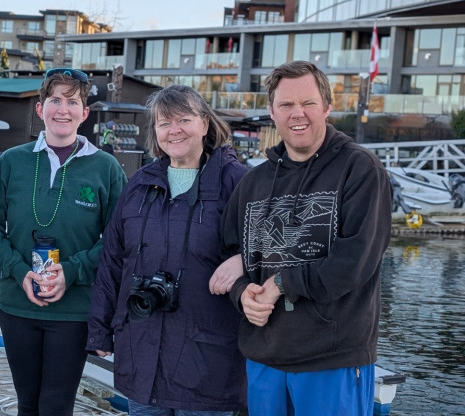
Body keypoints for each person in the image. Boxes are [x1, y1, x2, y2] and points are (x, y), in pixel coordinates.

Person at [219, 60, 392, 416]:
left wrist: (281, 283)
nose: (298, 113)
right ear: (272, 112)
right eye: (286, 104)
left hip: (332, 360)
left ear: (327, 107)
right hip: (264, 358)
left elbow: (353, 263)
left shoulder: (361, 170)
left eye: (308, 103)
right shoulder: (253, 183)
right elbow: (232, 257)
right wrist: (242, 295)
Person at [0, 68, 127, 416]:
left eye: (72, 101)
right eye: (55, 99)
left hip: (74, 310)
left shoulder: (106, 168)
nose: (63, 109)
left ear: (84, 113)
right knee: (28, 404)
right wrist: (17, 270)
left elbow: (120, 239)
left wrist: (72, 272)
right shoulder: (12, 162)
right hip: (16, 304)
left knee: (56, 405)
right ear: (40, 109)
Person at [87, 84, 249, 415]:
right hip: (141, 353)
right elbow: (113, 260)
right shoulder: (140, 184)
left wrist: (243, 261)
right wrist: (100, 330)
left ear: (204, 124)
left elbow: (272, 248)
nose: (174, 130)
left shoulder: (237, 182)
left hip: (207, 363)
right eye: (164, 122)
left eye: (184, 120)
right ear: (155, 131)